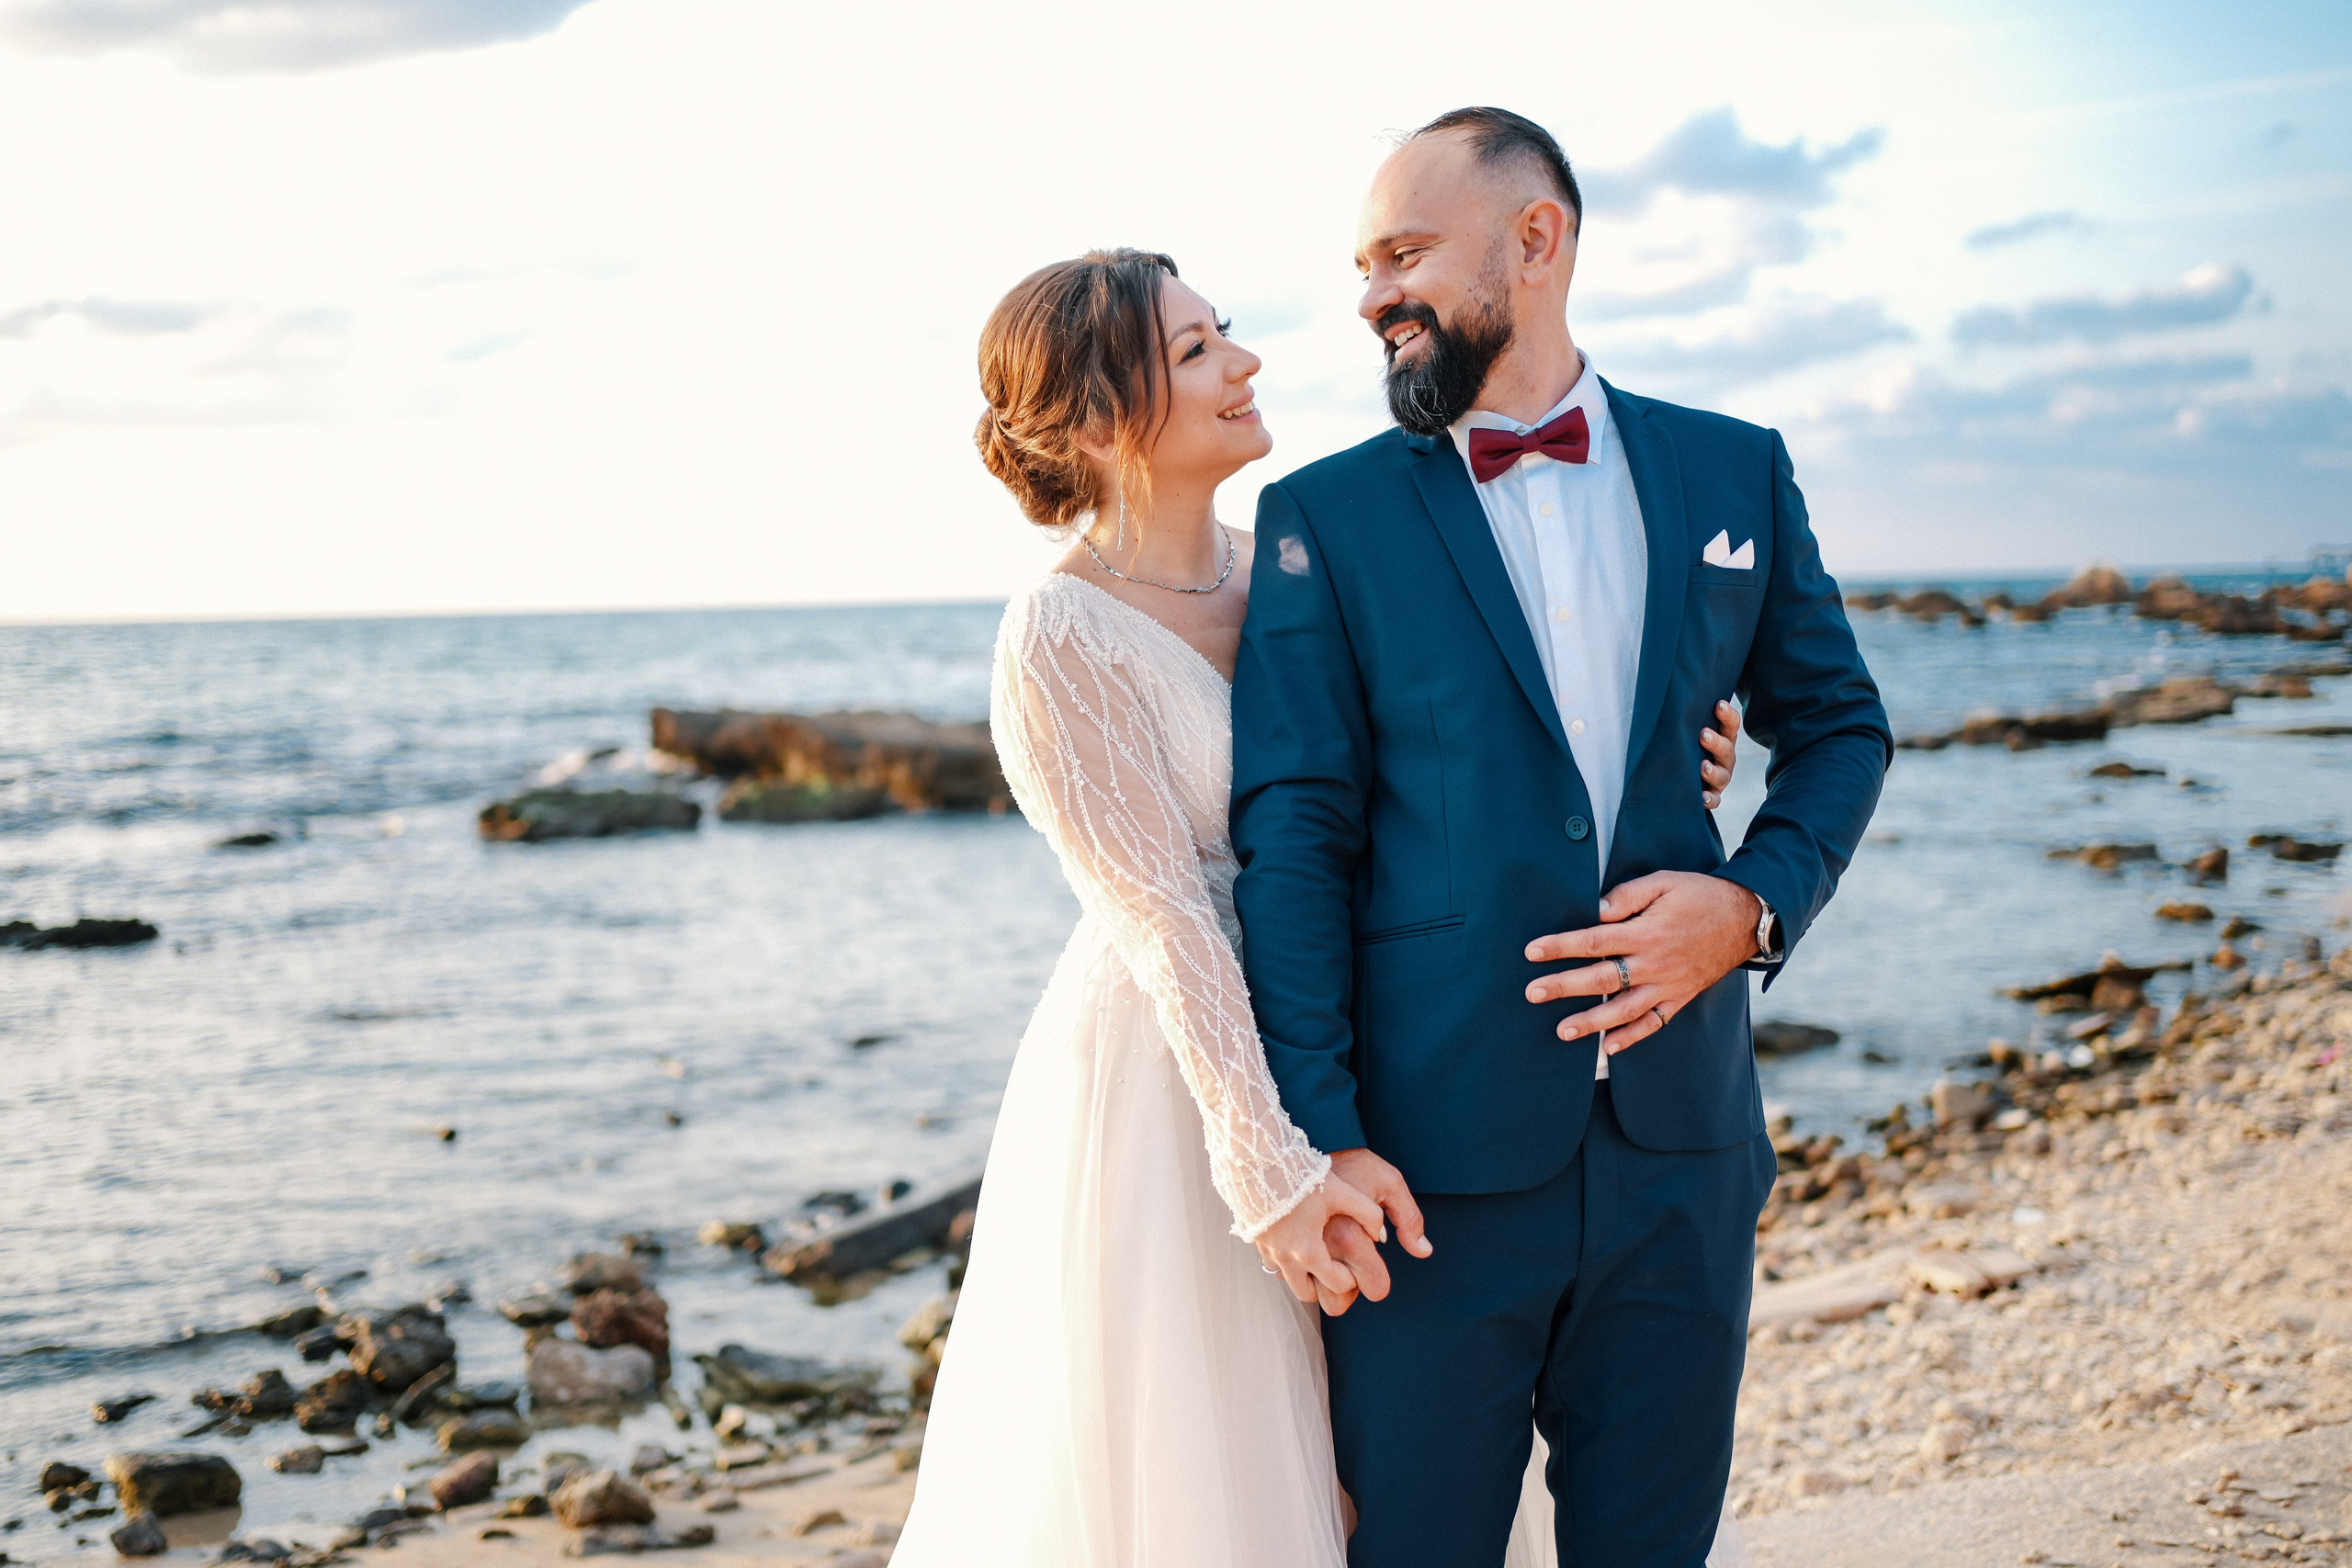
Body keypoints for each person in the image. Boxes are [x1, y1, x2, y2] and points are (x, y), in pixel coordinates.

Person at [889, 245, 1747, 1566]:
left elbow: (1488, 748)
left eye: (1221, 330)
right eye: (1193, 351)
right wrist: (1269, 1172)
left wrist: (1668, 753)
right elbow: (1167, 921)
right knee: (1230, 1485)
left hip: (1375, 1044)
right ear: (1101, 417)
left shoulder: (1302, 559)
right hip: (1191, 1093)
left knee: (1396, 1476)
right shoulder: (1057, 635)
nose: (1244, 361)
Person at [1231, 107, 1894, 1568]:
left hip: (1686, 1154)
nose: (1369, 296)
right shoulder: (1320, 519)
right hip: (1427, 1178)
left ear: (1537, 240)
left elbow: (1841, 727)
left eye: (1402, 252)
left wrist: (1751, 907)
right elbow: (1297, 837)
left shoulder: (1737, 472)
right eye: (1359, 264)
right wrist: (1320, 1132)